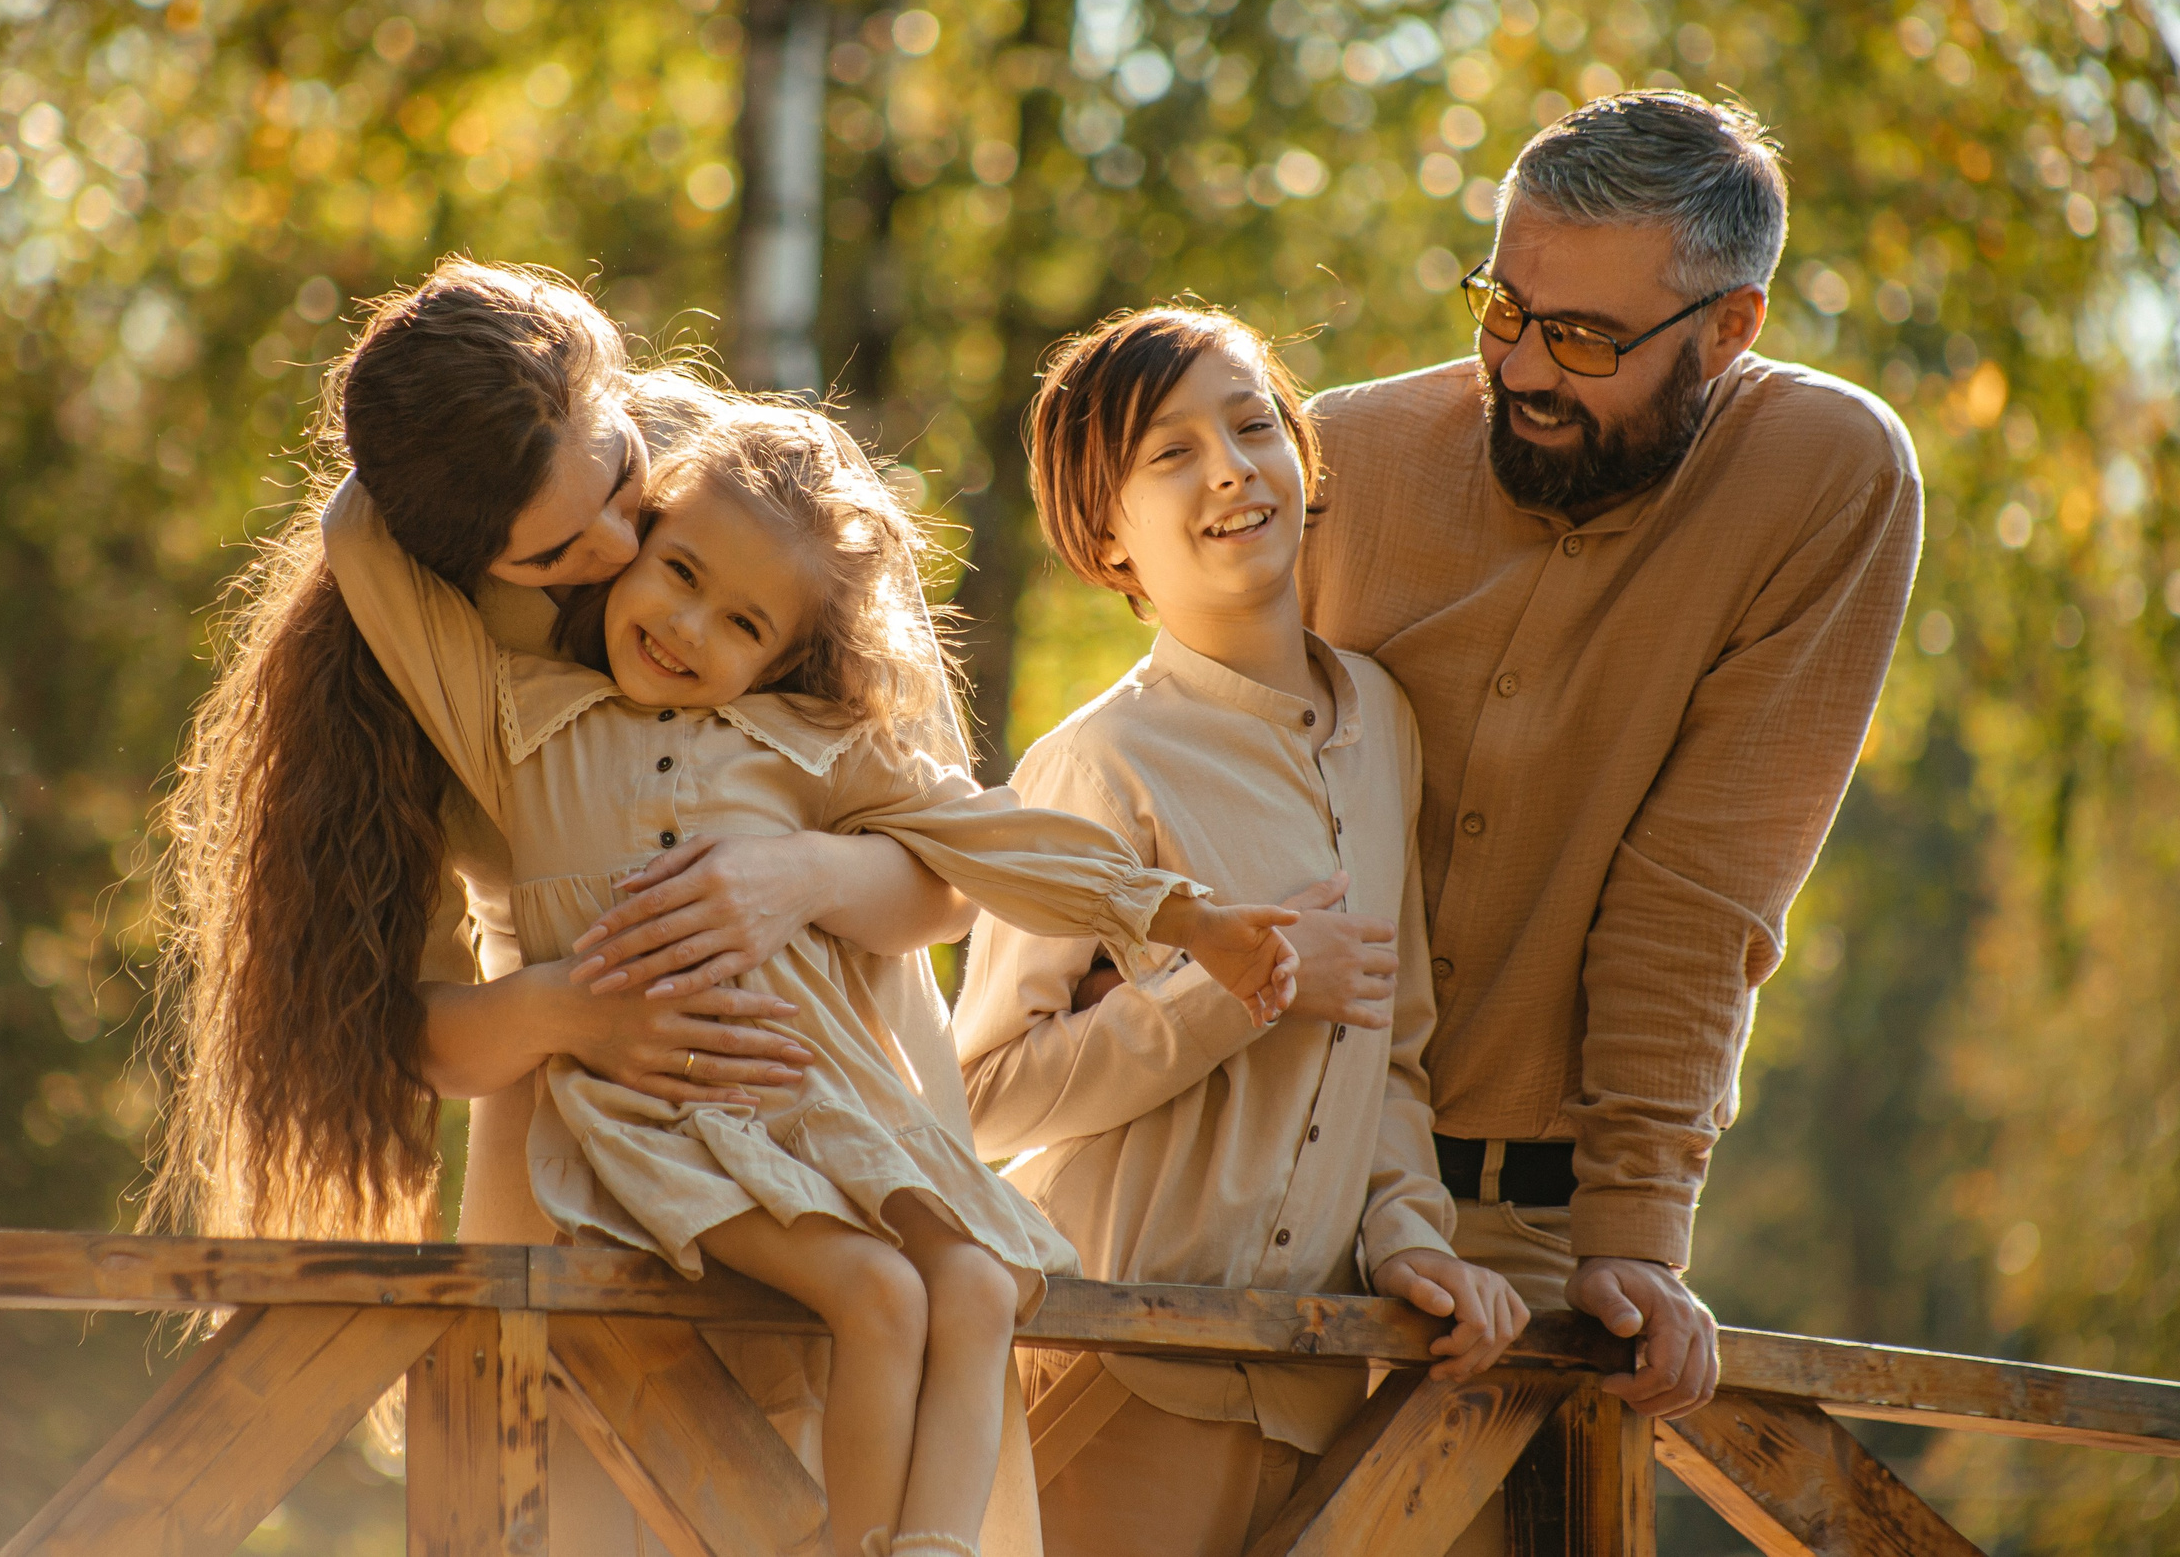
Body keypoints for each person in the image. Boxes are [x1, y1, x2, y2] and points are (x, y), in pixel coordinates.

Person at [322, 395, 1304, 1557]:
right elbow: (363, 539)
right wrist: (599, 450)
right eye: (675, 568)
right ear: (638, 530)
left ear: (783, 656)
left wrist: (1185, 914)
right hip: (667, 1119)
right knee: (882, 1298)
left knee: (979, 1289)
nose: (686, 627)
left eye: (740, 623)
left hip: (827, 1105)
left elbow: (988, 839)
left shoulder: (803, 746)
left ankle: (928, 1548)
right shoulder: (518, 729)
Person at [146, 263, 1031, 1547]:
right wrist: (571, 1012)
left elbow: (945, 877)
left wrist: (803, 878)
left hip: (846, 1107)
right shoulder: (420, 655)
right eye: (554, 553)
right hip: (589, 1153)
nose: (613, 551)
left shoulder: (781, 510)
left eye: (618, 481)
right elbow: (417, 1024)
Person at [1300, 92, 1922, 1523]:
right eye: (1501, 305)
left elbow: (1705, 879)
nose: (1522, 365)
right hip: (1235, 1186)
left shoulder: (1826, 478)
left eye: (1585, 337)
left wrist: (1636, 1224)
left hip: (1521, 1244)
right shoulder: (1334, 458)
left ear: (1729, 328)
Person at [953, 306, 1528, 1557]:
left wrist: (1410, 1243)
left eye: (1253, 424)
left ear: (1304, 465)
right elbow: (979, 1096)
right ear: (1105, 537)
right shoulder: (1097, 766)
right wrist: (1237, 986)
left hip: (1322, 1385)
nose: (1228, 466)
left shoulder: (1387, 723)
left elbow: (1390, 1053)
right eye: (1168, 454)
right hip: (1118, 1365)